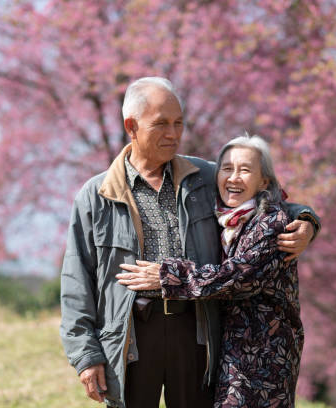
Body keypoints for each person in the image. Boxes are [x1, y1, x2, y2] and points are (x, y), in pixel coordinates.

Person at [59, 77, 320, 408]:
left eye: (178, 123)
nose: (174, 133)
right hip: (132, 336)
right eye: (162, 124)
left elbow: (268, 195)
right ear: (132, 126)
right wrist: (85, 356)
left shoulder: (205, 177)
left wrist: (308, 221)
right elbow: (76, 281)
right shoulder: (95, 196)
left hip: (197, 330)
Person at [116, 134, 304, 408]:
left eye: (245, 170)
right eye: (226, 168)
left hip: (263, 357)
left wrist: (167, 276)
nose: (234, 178)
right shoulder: (227, 220)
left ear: (264, 181)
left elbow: (238, 277)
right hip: (228, 353)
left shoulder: (271, 222)